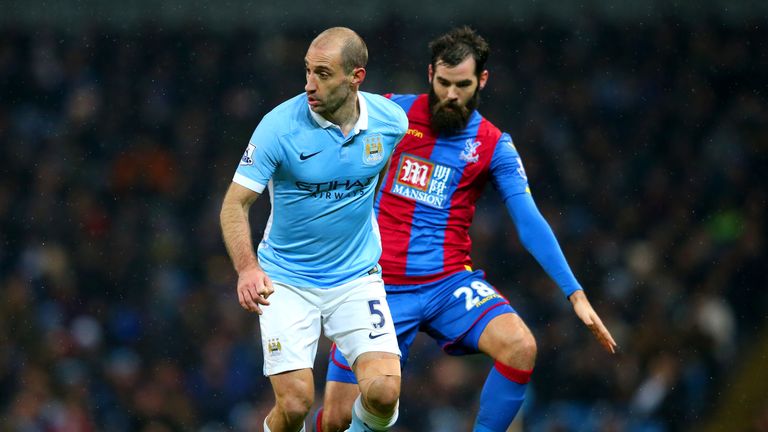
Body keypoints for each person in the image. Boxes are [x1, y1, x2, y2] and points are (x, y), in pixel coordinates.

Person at [316, 26, 617, 432]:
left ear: (482, 81)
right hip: (378, 286)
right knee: (336, 419)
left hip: (448, 286)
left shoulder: (493, 144)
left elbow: (528, 220)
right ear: (430, 75)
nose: (451, 95)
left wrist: (575, 293)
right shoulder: (390, 114)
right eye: (443, 83)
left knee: (520, 346)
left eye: (462, 85)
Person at [220, 27, 409, 432]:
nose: (309, 84)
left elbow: (375, 179)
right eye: (307, 71)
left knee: (384, 393)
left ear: (356, 77)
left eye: (323, 73)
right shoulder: (278, 127)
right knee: (295, 405)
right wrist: (247, 269)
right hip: (286, 281)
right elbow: (235, 204)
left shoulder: (391, 123)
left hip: (356, 279)